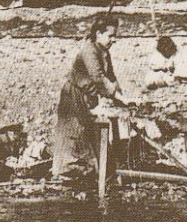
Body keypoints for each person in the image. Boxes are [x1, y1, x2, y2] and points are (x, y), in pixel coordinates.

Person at [53, 15, 132, 180]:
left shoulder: (104, 52)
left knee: (91, 133)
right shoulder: (89, 50)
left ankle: (94, 170)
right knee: (73, 132)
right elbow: (98, 78)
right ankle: (67, 171)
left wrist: (122, 98)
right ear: (99, 34)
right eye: (110, 36)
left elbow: (110, 77)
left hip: (89, 95)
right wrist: (118, 97)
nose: (114, 39)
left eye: (115, 36)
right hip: (74, 96)